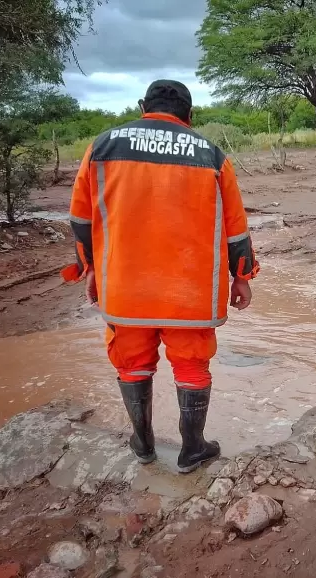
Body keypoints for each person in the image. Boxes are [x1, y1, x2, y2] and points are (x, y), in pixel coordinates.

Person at [61, 80, 259, 474]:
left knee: (132, 363)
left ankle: (144, 446)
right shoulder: (211, 155)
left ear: (142, 107)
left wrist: (91, 269)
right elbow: (235, 228)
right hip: (190, 290)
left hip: (125, 285)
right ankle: (192, 450)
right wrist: (242, 276)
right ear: (189, 115)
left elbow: (81, 219)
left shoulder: (101, 148)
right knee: (191, 366)